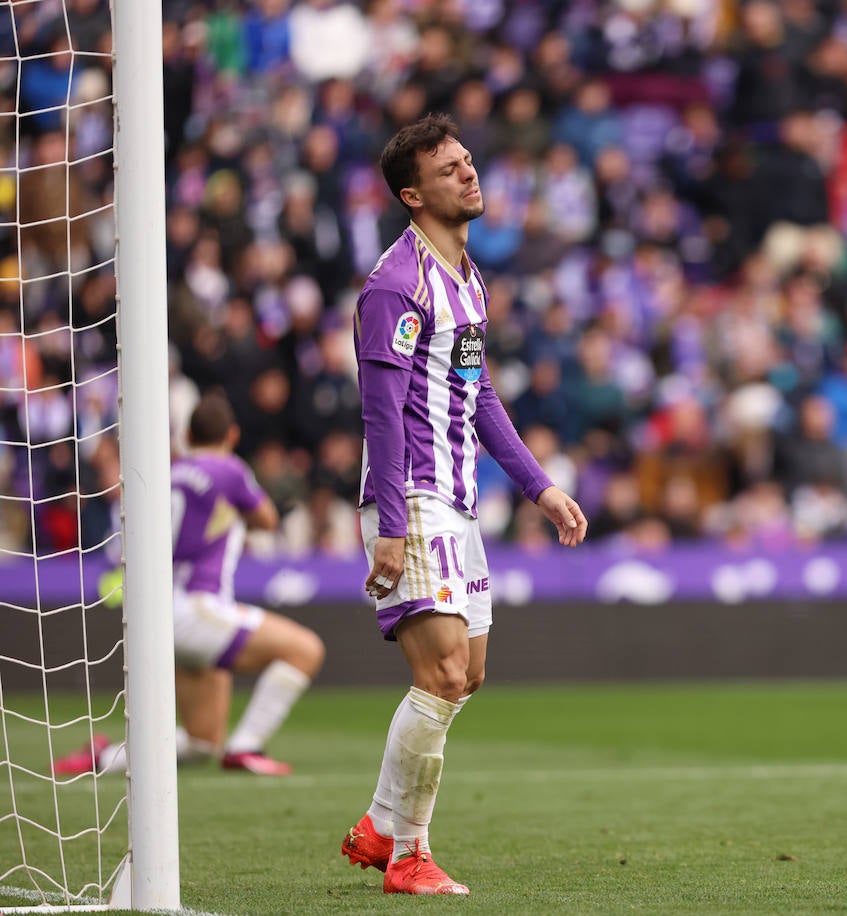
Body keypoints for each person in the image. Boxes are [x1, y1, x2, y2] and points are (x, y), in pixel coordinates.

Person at [339, 113, 587, 897]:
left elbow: (477, 397)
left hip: (458, 499)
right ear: (412, 194)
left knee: (468, 673)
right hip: (409, 497)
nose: (470, 175)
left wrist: (539, 486)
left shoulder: (469, 281)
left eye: (469, 162)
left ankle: (382, 824)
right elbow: (380, 412)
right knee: (442, 672)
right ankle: (409, 856)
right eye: (450, 170)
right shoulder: (394, 287)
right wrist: (386, 524)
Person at [54, 392, 326, 778]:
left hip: (160, 612)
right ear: (232, 435)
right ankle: (247, 746)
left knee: (201, 744)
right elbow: (266, 520)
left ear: (187, 435)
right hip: (200, 609)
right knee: (306, 650)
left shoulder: (170, 472)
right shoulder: (229, 469)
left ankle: (102, 756)